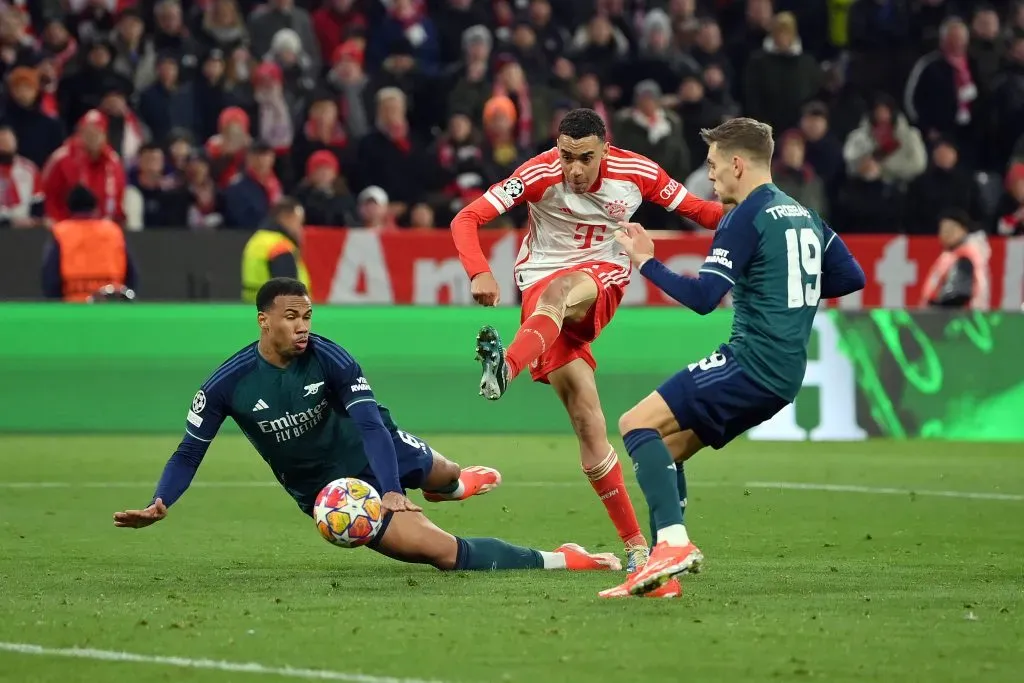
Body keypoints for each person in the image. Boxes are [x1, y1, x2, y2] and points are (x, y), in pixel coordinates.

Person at [113, 277, 621, 575]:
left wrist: (395, 488)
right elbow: (188, 451)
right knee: (441, 553)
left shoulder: (331, 358)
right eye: (292, 317)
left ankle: (454, 484)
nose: (303, 326)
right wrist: (163, 501)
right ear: (264, 321)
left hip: (373, 449)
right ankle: (561, 559)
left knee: (442, 475)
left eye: (308, 315)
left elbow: (372, 426)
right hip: (332, 492)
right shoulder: (229, 384)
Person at [450, 107, 724, 597]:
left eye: (585, 158)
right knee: (587, 420)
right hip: (538, 286)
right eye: (566, 156)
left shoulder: (637, 173)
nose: (573, 169)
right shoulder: (536, 173)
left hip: (600, 277)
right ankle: (638, 547)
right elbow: (467, 218)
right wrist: (477, 270)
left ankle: (505, 367)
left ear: (605, 149)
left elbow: (700, 212)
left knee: (563, 295)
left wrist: (760, 213)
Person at [598, 117, 867, 598]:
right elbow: (850, 276)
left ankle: (673, 544)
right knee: (668, 448)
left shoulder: (744, 215)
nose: (712, 176)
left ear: (738, 164)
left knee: (636, 424)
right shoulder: (803, 213)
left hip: (751, 361)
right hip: (783, 376)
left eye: (714, 165)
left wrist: (646, 261)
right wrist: (785, 288)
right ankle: (664, 574)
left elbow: (704, 297)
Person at [241, 197, 311, 302]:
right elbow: (288, 291)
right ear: (287, 218)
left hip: (253, 307)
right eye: (299, 222)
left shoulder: (257, 239)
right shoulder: (280, 246)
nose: (300, 228)